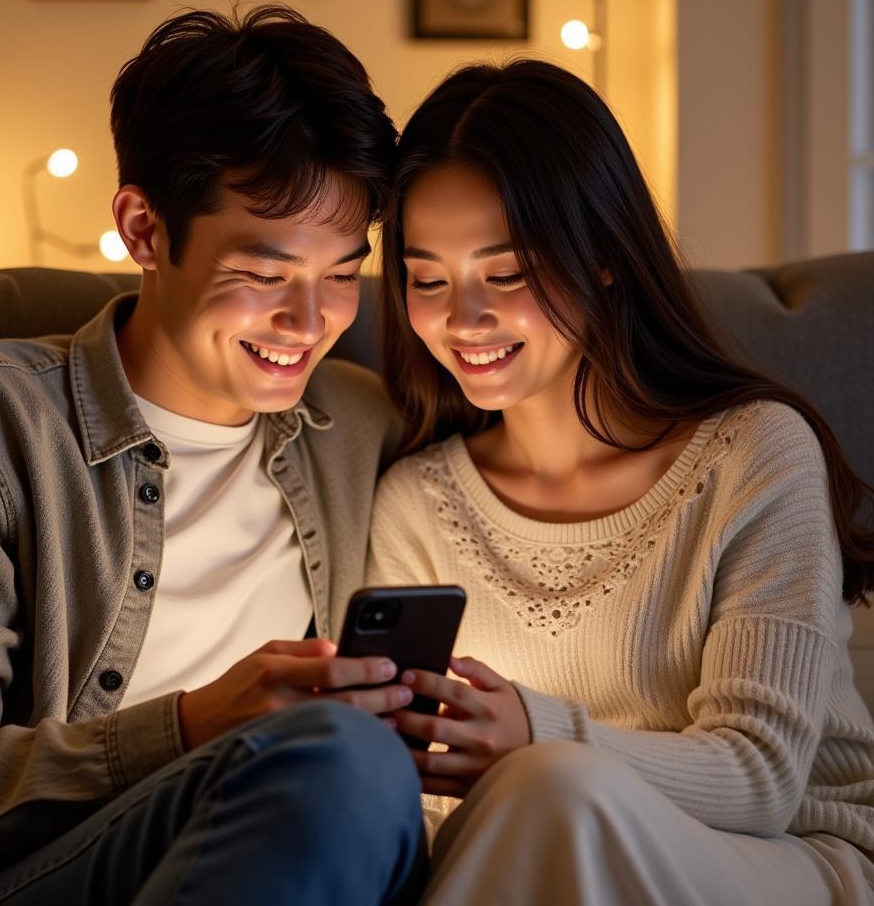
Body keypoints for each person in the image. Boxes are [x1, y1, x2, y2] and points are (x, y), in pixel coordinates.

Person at [0, 6, 427, 906]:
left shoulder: (363, 423)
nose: (311, 326)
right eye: (266, 275)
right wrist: (193, 727)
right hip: (30, 883)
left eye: (342, 275)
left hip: (296, 858)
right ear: (144, 230)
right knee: (339, 761)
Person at [368, 58, 874, 904]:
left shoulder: (752, 455)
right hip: (531, 870)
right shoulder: (416, 506)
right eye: (427, 280)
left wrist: (539, 735)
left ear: (602, 256)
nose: (463, 318)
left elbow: (762, 778)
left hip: (789, 858)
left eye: (507, 272)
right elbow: (424, 803)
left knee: (549, 787)